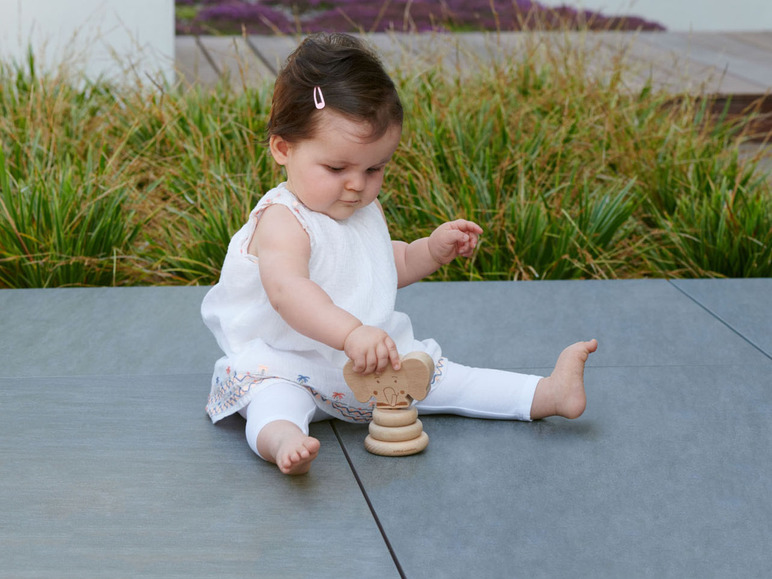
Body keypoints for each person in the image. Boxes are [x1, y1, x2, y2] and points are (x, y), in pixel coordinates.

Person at [201, 32, 597, 475]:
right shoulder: (282, 219)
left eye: (375, 168)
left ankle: (545, 394)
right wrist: (352, 333)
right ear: (283, 149)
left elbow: (377, 266)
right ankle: (283, 440)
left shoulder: (360, 208)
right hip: (288, 362)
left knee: (443, 376)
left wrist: (429, 250)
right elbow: (289, 291)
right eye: (336, 168)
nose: (357, 185)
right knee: (273, 399)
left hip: (368, 360)